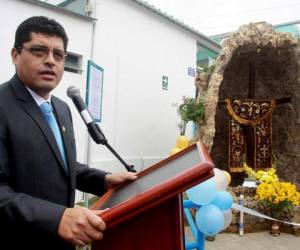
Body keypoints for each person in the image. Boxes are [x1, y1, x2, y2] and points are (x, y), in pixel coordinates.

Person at [0, 16, 137, 250]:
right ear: (15, 55)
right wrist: (57, 218)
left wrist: (103, 179)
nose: (50, 61)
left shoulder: (62, 108)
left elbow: (61, 164)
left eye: (58, 55)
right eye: (39, 51)